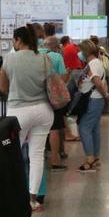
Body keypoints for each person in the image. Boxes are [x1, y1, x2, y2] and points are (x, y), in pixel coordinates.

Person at [1, 26, 55, 209]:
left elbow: (3, 88)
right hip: (43, 110)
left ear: (18, 40)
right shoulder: (44, 58)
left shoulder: (9, 58)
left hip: (18, 112)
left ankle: (14, 196)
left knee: (12, 155)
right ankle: (33, 199)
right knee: (37, 155)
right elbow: (52, 84)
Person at [75, 40, 109, 172]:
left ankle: (89, 159)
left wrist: (106, 95)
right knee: (94, 129)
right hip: (95, 99)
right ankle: (95, 157)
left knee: (84, 128)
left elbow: (96, 81)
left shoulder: (94, 63)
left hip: (92, 99)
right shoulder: (95, 62)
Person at [40, 36, 71, 171]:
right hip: (53, 98)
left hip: (37, 96)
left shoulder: (36, 55)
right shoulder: (57, 57)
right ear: (56, 46)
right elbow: (63, 78)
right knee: (54, 127)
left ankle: (40, 156)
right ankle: (55, 158)